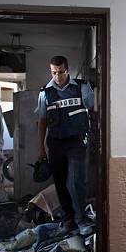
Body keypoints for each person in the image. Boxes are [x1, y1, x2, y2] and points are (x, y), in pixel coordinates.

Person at [36, 55, 94, 235]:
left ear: (68, 70)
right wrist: (41, 149)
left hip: (76, 142)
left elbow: (94, 110)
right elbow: (42, 121)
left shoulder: (82, 87)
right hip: (55, 143)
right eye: (54, 73)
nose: (58, 76)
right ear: (50, 71)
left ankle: (81, 219)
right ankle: (69, 218)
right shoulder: (45, 92)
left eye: (61, 72)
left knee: (75, 180)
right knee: (60, 182)